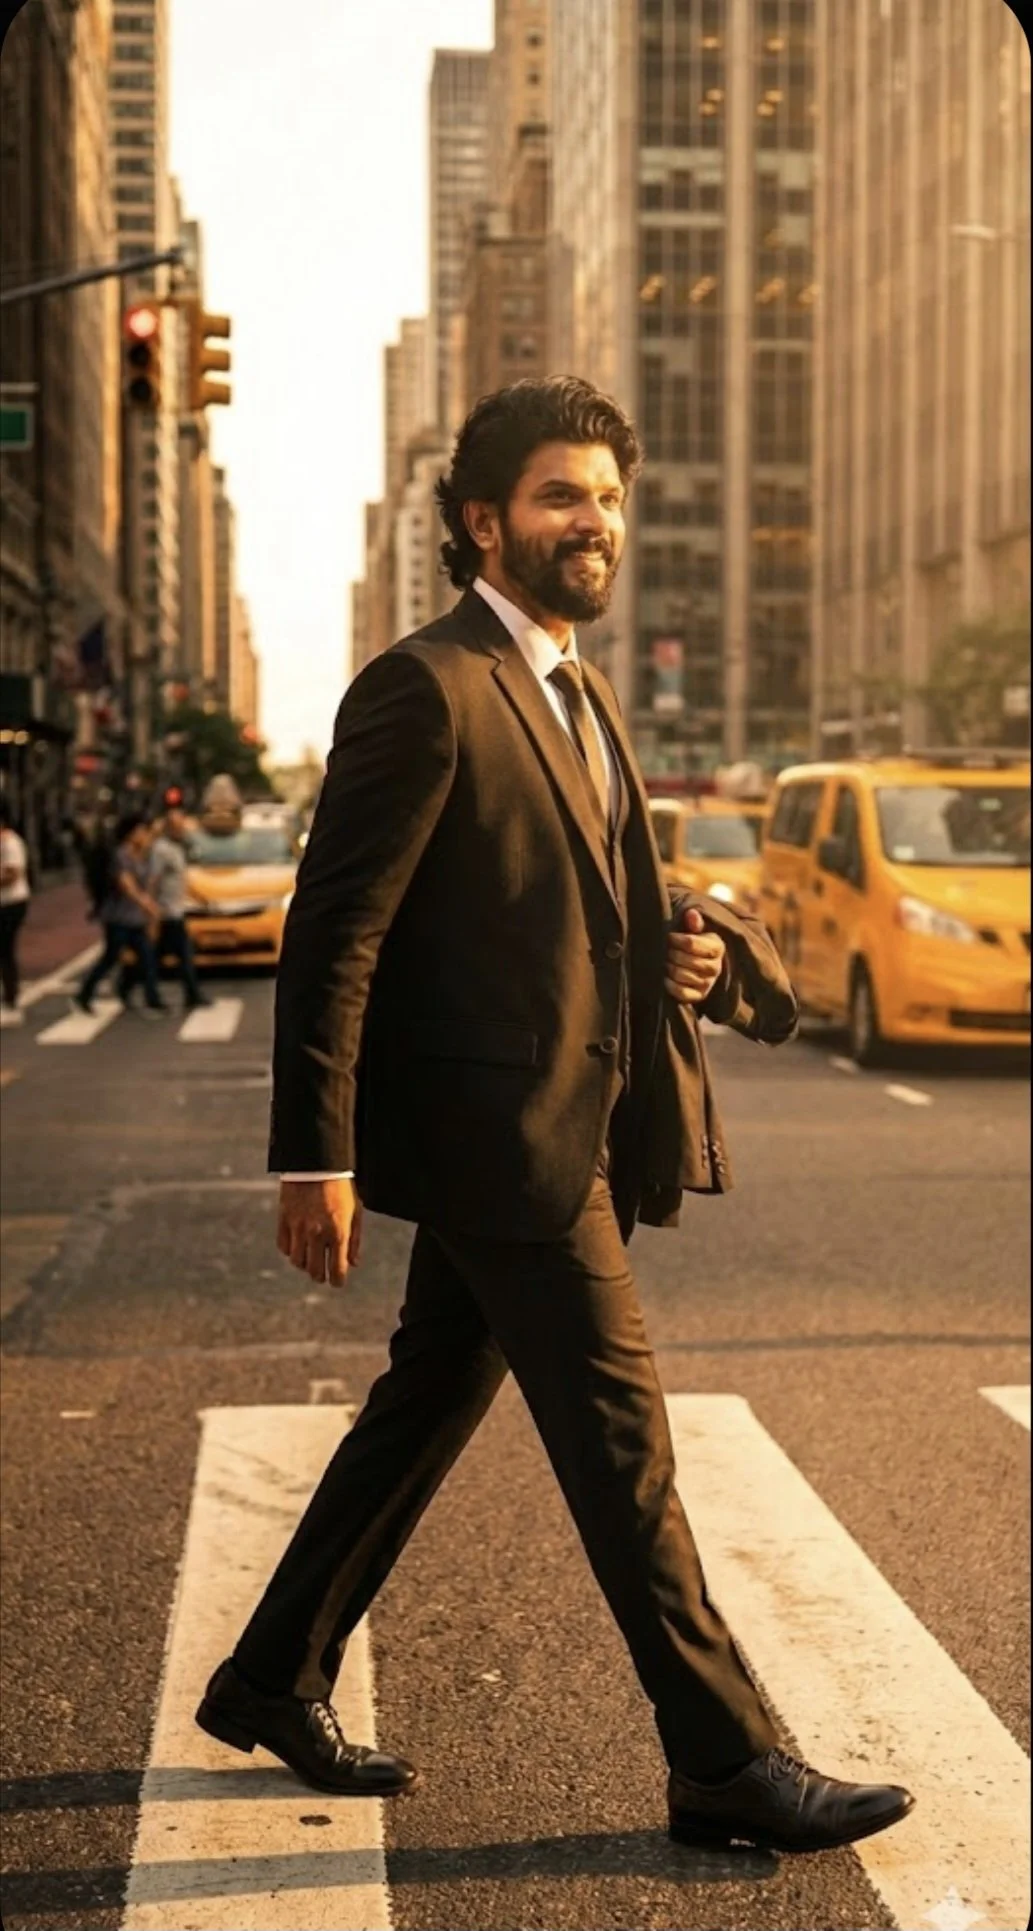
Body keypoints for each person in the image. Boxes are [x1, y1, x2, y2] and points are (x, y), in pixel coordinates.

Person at [196, 378, 915, 1854]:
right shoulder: (428, 681)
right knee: (622, 1440)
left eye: (606, 495)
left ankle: (273, 1670)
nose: (593, 521)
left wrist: (681, 943)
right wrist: (313, 1152)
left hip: (560, 1116)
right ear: (481, 522)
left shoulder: (573, 686)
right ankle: (723, 1755)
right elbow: (339, 932)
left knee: (422, 1405)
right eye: (558, 496)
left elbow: (569, 891)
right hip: (501, 1144)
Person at [119, 805, 211, 1013]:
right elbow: (153, 879)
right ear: (170, 828)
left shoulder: (177, 848)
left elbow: (180, 880)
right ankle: (133, 986)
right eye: (178, 826)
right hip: (165, 912)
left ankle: (187, 993)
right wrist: (150, 910)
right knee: (162, 955)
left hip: (175, 910)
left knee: (162, 955)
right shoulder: (161, 850)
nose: (183, 829)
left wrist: (201, 899)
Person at [76, 813, 167, 1017]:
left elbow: (149, 881)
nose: (145, 835)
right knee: (111, 958)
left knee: (147, 957)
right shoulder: (121, 856)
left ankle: (152, 1000)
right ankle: (84, 994)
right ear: (131, 834)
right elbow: (126, 884)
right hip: (118, 917)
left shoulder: (142, 855)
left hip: (135, 918)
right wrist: (147, 904)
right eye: (141, 832)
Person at [0, 797, 31, 1021]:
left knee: (5, 949)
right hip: (6, 903)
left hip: (12, 903)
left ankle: (11, 997)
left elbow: (13, 874)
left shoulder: (11, 843)